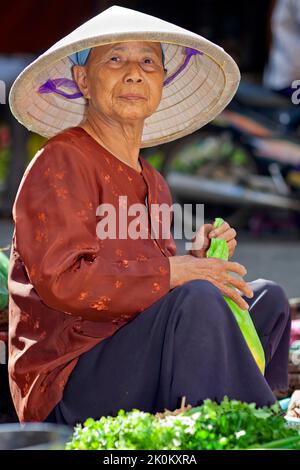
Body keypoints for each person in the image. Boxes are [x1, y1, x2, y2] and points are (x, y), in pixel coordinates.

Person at [8, 5, 291, 425]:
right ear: (83, 79)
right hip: (70, 379)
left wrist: (198, 262)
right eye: (115, 59)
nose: (135, 73)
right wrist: (178, 274)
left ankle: (245, 413)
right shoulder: (61, 161)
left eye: (148, 62)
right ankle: (255, 425)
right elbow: (65, 283)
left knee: (266, 297)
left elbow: (148, 281)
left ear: (161, 81)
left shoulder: (153, 181)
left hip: (133, 353)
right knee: (197, 298)